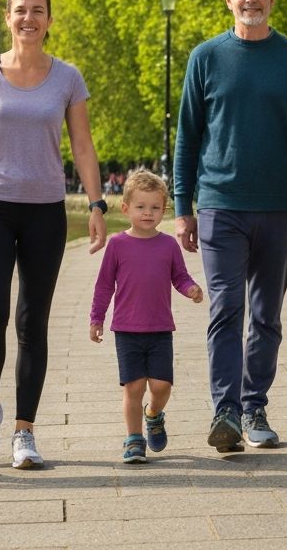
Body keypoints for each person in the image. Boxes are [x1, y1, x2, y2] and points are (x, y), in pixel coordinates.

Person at [173, 0, 287, 452]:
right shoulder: (206, 57)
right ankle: (225, 410)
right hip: (220, 204)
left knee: (266, 313)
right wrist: (183, 207)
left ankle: (254, 404)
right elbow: (187, 137)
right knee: (226, 306)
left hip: (278, 206)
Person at [0, 0, 107, 469]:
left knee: (32, 321)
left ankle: (24, 432)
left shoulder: (67, 78)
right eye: (21, 10)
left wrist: (98, 204)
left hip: (45, 210)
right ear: (8, 17)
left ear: (49, 20)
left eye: (37, 11)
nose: (29, 18)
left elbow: (82, 146)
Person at [89, 168, 204, 463]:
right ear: (126, 208)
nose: (148, 213)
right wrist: (96, 318)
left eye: (155, 207)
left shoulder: (167, 245)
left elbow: (179, 276)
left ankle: (153, 414)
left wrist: (190, 288)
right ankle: (134, 439)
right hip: (126, 330)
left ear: (163, 210)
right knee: (134, 387)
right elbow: (104, 286)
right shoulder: (116, 245)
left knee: (162, 385)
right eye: (141, 207)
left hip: (160, 329)